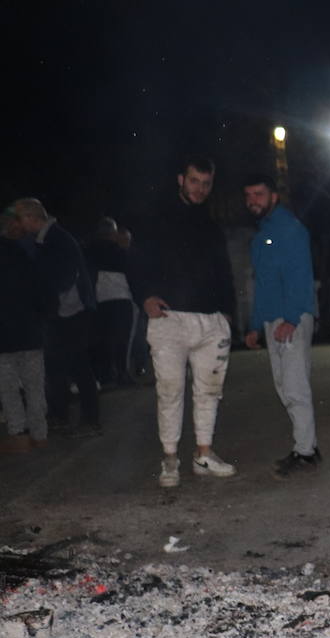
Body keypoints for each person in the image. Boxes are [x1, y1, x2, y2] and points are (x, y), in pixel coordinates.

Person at [128, 156, 237, 487]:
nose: (200, 189)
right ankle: (170, 458)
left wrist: (228, 315)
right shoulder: (155, 219)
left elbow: (225, 272)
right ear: (180, 179)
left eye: (206, 183)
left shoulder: (211, 225)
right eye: (194, 181)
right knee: (170, 390)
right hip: (169, 319)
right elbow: (135, 263)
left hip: (210, 322)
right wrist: (144, 296)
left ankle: (204, 453)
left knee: (209, 391)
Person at [243, 173, 321, 479]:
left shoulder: (289, 228)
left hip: (291, 318)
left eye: (259, 194)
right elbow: (262, 284)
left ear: (273, 195)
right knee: (285, 386)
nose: (253, 201)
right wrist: (253, 325)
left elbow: (300, 274)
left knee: (294, 385)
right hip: (273, 319)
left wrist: (291, 318)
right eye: (248, 196)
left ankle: (306, 452)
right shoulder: (262, 233)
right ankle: (307, 446)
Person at [13, 197, 100, 437]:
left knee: (77, 365)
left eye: (21, 219)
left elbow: (63, 278)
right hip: (64, 312)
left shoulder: (56, 239)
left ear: (31, 218)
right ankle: (61, 416)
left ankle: (90, 420)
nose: (19, 225)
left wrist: (45, 301)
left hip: (71, 312)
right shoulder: (47, 239)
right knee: (58, 367)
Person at [0, 208, 51, 453]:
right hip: (30, 331)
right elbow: (42, 292)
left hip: (6, 334)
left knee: (9, 387)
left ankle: (19, 434)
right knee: (33, 385)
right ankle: (39, 434)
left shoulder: (25, 251)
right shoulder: (31, 252)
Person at [85, 217, 137, 386]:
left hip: (100, 300)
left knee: (104, 339)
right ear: (113, 233)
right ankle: (122, 373)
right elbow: (132, 274)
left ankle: (106, 375)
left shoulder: (89, 250)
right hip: (121, 298)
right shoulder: (119, 251)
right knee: (122, 339)